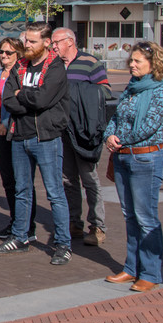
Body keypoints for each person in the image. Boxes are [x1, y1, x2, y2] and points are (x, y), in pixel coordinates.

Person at [0, 22, 73, 266]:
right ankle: (20, 236)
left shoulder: (56, 68)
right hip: (20, 136)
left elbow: (43, 99)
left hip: (46, 137)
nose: (27, 45)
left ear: (47, 43)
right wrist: (25, 97)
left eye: (33, 41)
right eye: (26, 40)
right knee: (22, 190)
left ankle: (63, 244)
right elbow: (8, 99)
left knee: (55, 193)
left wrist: (22, 96)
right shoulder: (20, 66)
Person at [103, 41, 163, 293]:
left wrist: (121, 139)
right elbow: (116, 117)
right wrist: (109, 135)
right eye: (131, 60)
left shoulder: (160, 92)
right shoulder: (131, 90)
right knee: (130, 216)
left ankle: (150, 272)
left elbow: (150, 126)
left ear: (153, 64)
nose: (131, 65)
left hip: (146, 159)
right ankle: (131, 268)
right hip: (123, 157)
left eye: (137, 61)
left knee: (146, 217)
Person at [52, 27, 111, 247]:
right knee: (67, 179)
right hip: (62, 131)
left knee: (90, 179)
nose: (53, 46)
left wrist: (75, 92)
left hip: (84, 131)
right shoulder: (54, 65)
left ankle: (97, 226)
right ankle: (73, 222)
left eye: (56, 42)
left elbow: (105, 91)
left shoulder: (90, 62)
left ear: (69, 41)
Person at [0, 37, 35, 243]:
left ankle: (27, 226)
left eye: (8, 53)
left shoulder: (22, 76)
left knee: (21, 182)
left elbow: (19, 103)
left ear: (19, 54)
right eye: (2, 52)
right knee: (7, 180)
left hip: (15, 131)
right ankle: (16, 221)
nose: (4, 56)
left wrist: (6, 122)